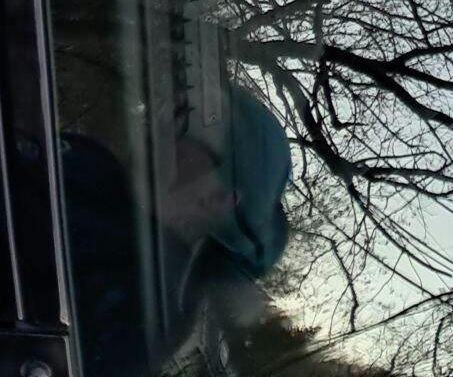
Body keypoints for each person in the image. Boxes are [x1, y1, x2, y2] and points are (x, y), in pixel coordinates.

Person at [15, 82, 292, 377]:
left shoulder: (150, 309)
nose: (158, 123)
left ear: (218, 198)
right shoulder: (97, 161)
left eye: (186, 120)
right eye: (172, 108)